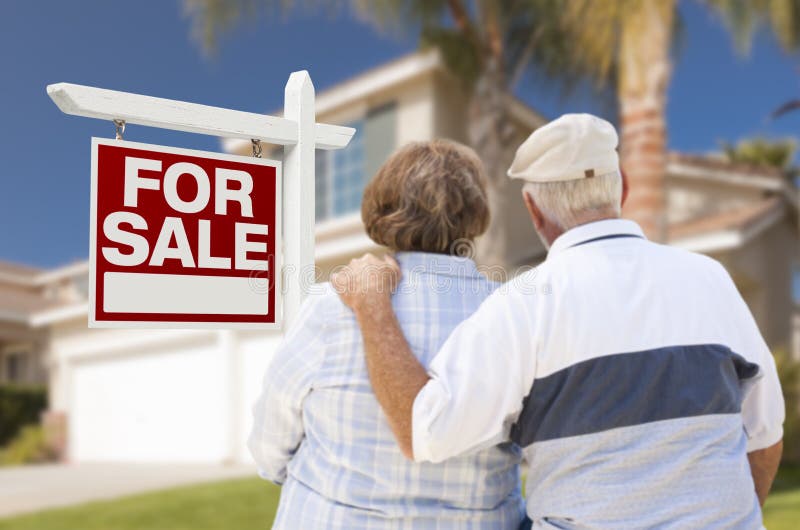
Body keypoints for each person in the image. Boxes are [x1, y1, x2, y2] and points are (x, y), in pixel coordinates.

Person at [333, 114, 785, 529]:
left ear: (533, 210)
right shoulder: (709, 280)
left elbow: (423, 432)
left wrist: (374, 307)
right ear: (622, 187)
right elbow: (764, 437)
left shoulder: (523, 306)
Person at [248, 139, 525, 529]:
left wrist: (287, 475)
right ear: (476, 213)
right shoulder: (513, 315)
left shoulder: (333, 305)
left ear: (383, 207)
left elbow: (273, 431)